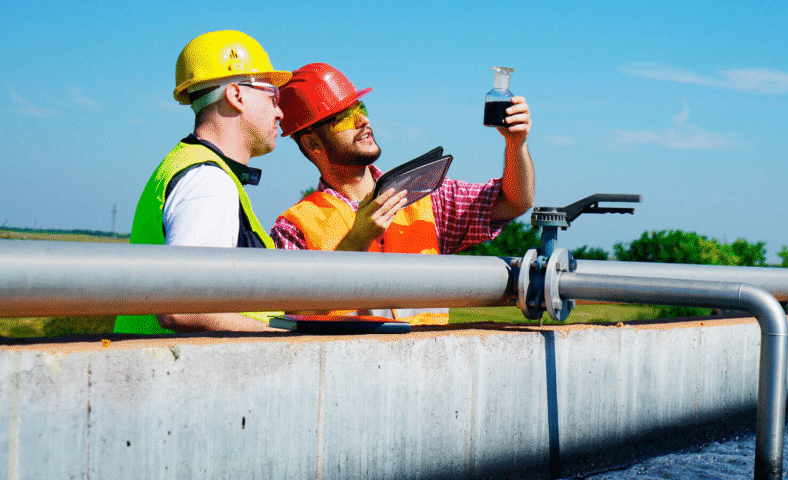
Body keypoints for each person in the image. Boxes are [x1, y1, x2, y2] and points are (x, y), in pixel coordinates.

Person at [271, 63, 535, 324]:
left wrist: (516, 144)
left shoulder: (425, 194)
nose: (363, 120)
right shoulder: (293, 228)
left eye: (360, 108)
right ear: (312, 142)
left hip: (428, 362)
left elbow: (514, 202)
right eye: (345, 117)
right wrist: (355, 242)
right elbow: (297, 315)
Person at [114, 30, 291, 334]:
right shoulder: (208, 182)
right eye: (272, 96)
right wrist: (283, 341)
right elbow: (180, 308)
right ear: (236, 95)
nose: (280, 111)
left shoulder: (188, 166)